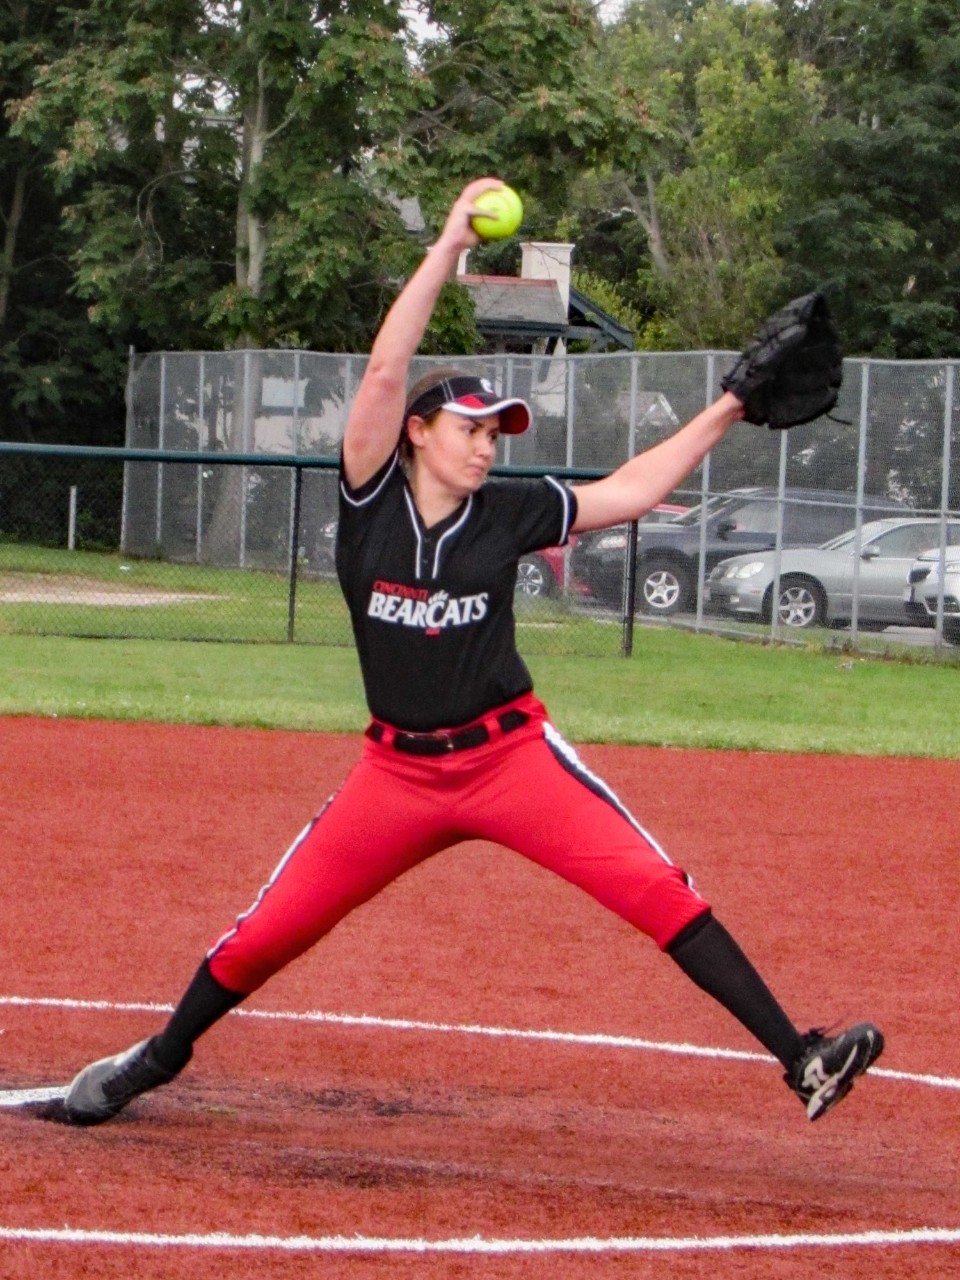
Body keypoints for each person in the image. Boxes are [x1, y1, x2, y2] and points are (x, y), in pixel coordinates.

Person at [63, 178, 883, 1128]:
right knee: (268, 933)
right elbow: (382, 371)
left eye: (498, 433)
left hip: (509, 759)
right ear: (417, 434)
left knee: (654, 886)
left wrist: (729, 408)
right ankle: (154, 1062)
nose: (488, 447)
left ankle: (803, 1058)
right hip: (394, 776)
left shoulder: (510, 512)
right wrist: (449, 241)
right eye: (470, 429)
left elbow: (625, 491)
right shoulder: (371, 499)